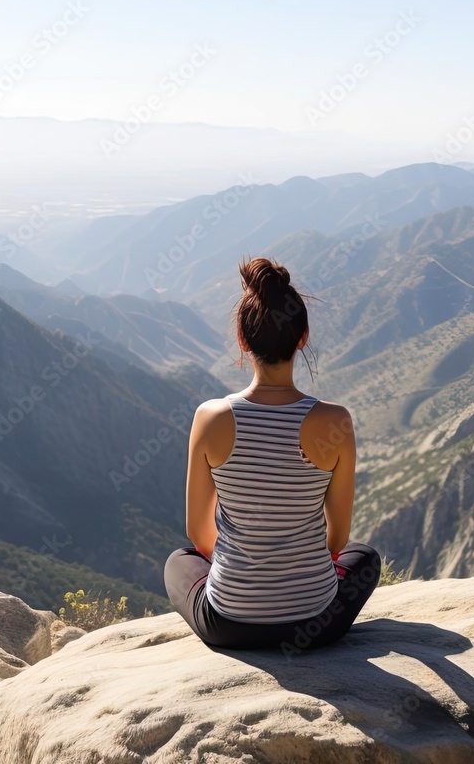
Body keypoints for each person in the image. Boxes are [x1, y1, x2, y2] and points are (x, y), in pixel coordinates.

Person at [163, 256, 381, 652]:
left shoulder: (211, 418)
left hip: (228, 624)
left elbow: (199, 533)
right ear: (302, 337)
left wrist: (246, 570)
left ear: (243, 341)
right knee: (363, 557)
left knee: (179, 560)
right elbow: (338, 539)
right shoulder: (335, 422)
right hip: (316, 623)